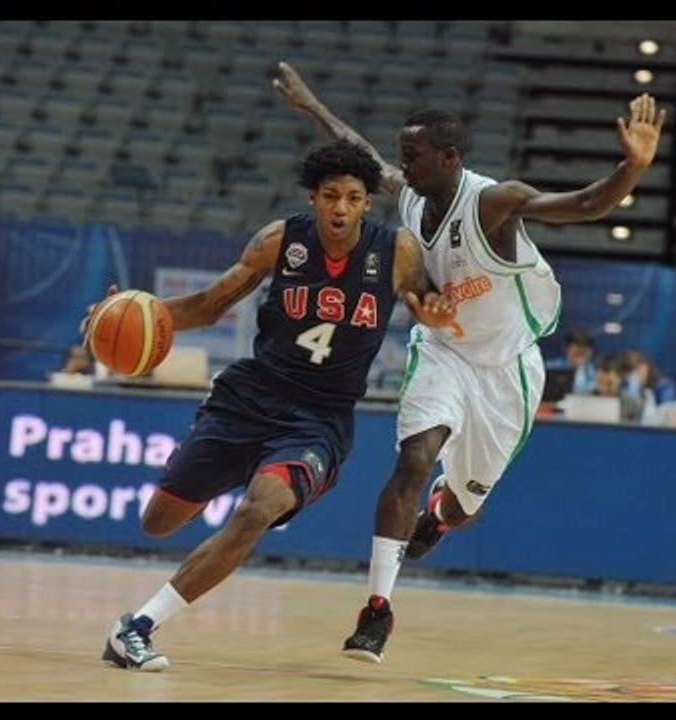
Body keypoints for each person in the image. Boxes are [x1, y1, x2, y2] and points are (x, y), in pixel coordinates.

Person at [273, 61, 667, 663]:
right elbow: (358, 152)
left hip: (507, 368)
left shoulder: (494, 202)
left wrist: (632, 168)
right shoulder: (410, 199)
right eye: (404, 153)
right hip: (443, 352)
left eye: (416, 154)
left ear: (450, 158)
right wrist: (311, 107)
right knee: (412, 459)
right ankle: (376, 612)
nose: (404, 165)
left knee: (459, 507)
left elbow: (585, 205)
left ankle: (439, 513)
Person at [92, 140, 456, 672]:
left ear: (365, 204)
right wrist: (124, 313)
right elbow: (207, 305)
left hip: (318, 420)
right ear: (312, 197)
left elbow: (427, 307)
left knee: (257, 511)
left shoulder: (394, 251)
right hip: (250, 397)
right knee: (159, 522)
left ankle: (135, 627)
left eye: (352, 198)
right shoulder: (280, 241)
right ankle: (239, 467)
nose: (339, 207)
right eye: (330, 195)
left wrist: (437, 313)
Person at [546, 329, 597, 394]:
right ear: (566, 348)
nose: (581, 349)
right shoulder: (551, 367)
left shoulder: (597, 370)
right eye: (577, 352)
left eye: (584, 351)